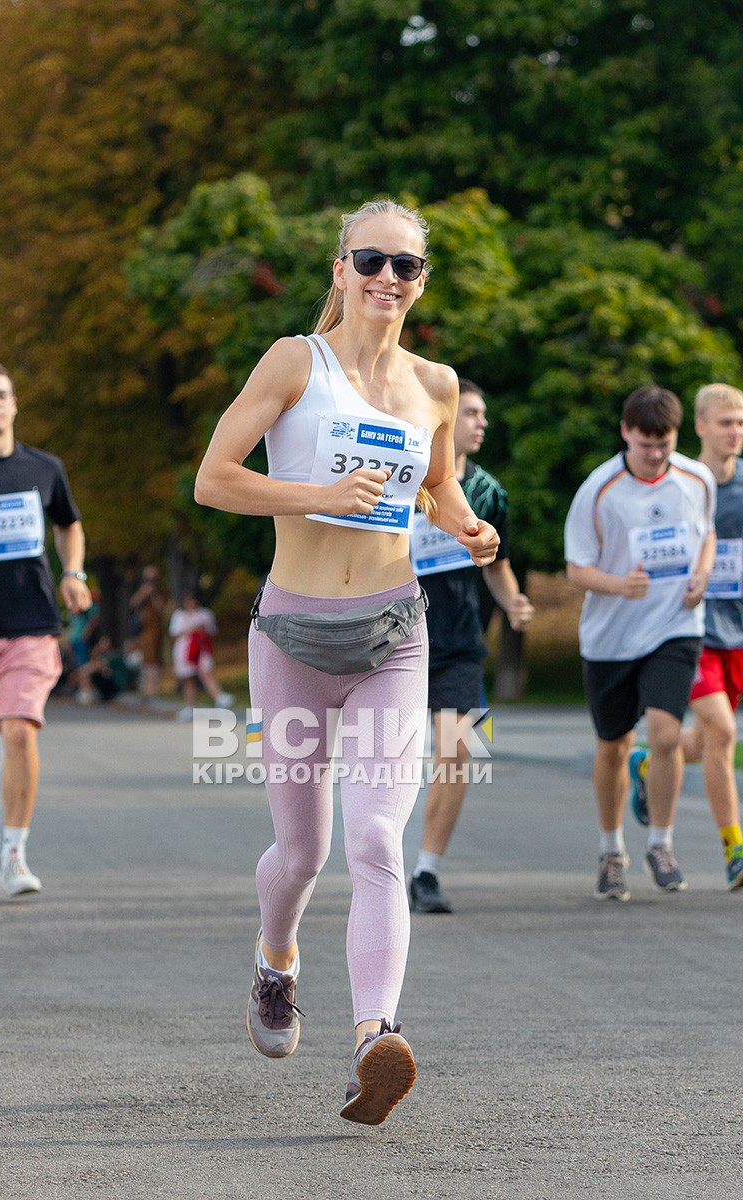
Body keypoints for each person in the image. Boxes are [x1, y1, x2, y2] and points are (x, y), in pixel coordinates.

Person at [194, 199, 499, 1124]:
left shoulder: (435, 386)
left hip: (391, 636)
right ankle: (275, 961)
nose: (387, 278)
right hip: (292, 634)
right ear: (339, 268)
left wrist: (466, 525)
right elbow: (213, 479)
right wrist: (318, 492)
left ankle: (376, 1039)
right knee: (304, 850)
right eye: (371, 259)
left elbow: (439, 483)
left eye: (406, 266)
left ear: (422, 282)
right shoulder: (296, 361)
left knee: (374, 840)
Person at [0, 360, 91, 900]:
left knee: (20, 726)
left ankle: (14, 855)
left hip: (32, 621)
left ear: (15, 403)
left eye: (3, 394)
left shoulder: (44, 467)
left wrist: (73, 572)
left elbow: (68, 524)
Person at [564, 385, 716, 901]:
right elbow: (576, 568)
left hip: (675, 627)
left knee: (667, 734)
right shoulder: (599, 489)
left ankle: (661, 842)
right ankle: (611, 851)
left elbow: (707, 534)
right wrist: (618, 585)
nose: (655, 454)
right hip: (611, 638)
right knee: (613, 745)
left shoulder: (697, 478)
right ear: (626, 432)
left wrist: (701, 575)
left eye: (665, 444)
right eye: (646, 443)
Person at [408, 379, 534, 913]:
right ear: (446, 417)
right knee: (384, 761)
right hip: (395, 638)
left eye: (485, 414)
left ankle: (426, 872)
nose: (482, 423)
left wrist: (512, 601)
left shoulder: (488, 493)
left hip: (459, 645)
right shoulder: (404, 480)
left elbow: (498, 565)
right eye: (473, 413)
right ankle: (379, 862)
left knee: (456, 755)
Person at [628, 383, 743, 890]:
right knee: (723, 733)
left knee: (697, 742)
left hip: (737, 632)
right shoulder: (686, 483)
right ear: (698, 426)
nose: (735, 431)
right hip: (690, 631)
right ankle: (734, 849)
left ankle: (650, 762)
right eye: (725, 422)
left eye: (740, 422)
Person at [168, 590, 234, 720]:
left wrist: (201, 627)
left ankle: (219, 696)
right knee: (188, 678)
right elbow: (174, 633)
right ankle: (190, 706)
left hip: (201, 648)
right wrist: (190, 629)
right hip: (184, 649)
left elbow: (212, 630)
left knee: (206, 672)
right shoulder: (179, 615)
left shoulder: (204, 614)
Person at [129, 564, 167, 699]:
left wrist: (154, 594)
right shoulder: (143, 590)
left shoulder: (161, 591)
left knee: (154, 660)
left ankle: (154, 689)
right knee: (146, 660)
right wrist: (145, 592)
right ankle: (148, 688)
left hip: (155, 629)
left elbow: (161, 609)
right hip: (144, 629)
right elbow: (133, 603)